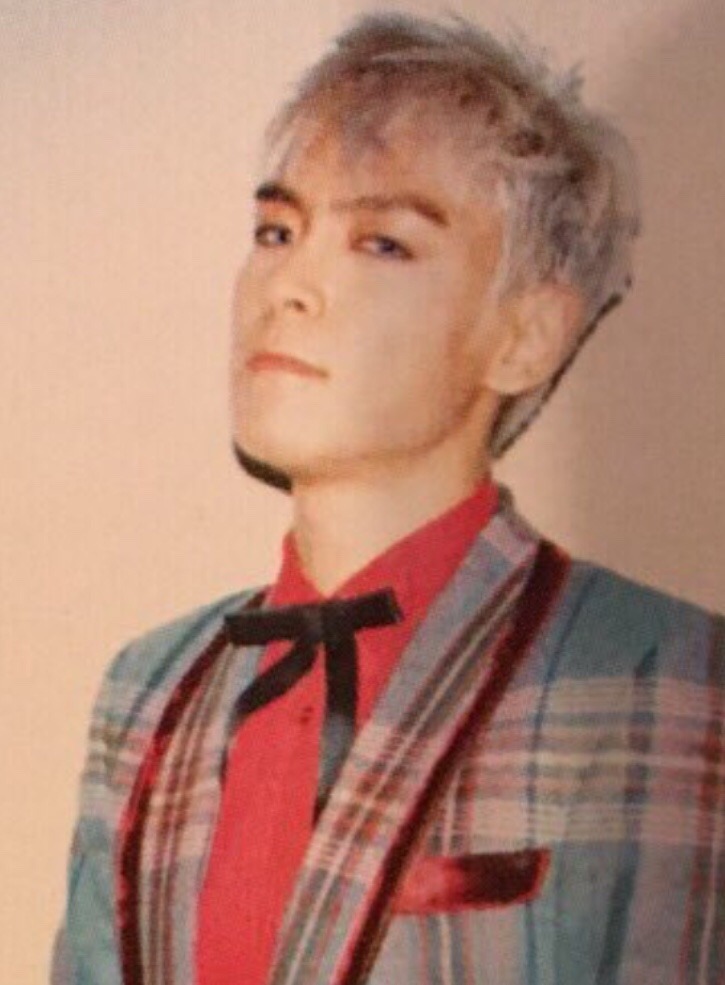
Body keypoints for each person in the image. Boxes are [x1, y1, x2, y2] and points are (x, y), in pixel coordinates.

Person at [53, 12, 724, 985]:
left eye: (382, 244)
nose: (290, 284)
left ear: (524, 336)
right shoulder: (148, 687)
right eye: (277, 231)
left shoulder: (667, 675)